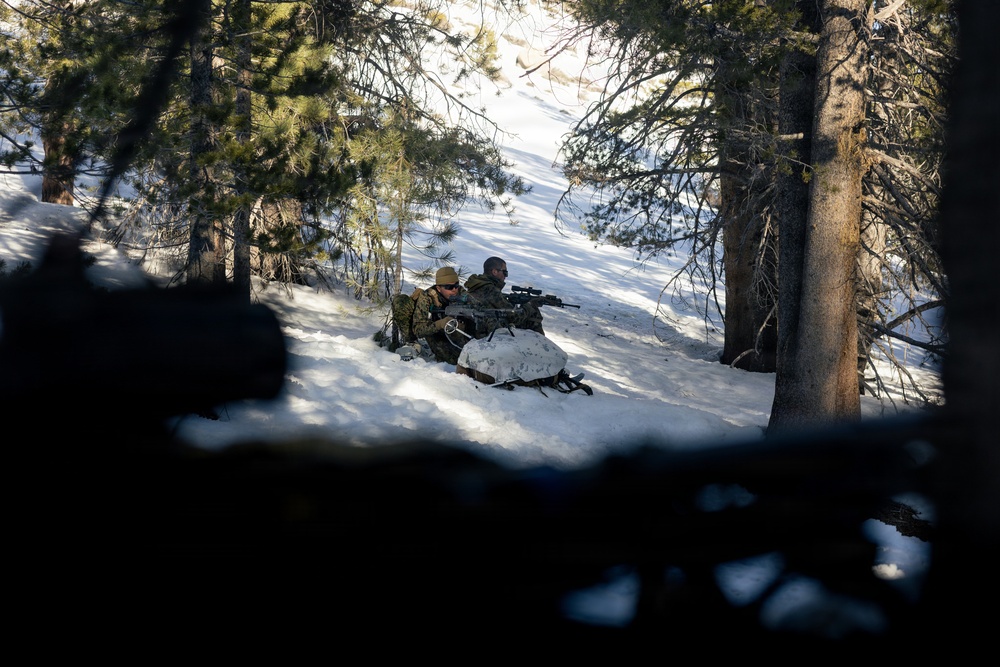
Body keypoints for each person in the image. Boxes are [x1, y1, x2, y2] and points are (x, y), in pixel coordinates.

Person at [463, 256, 544, 335]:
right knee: (533, 314)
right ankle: (540, 343)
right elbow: (515, 318)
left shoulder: (477, 284)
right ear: (494, 272)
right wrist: (530, 305)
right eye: (505, 272)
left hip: (479, 327)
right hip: (491, 331)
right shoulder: (491, 290)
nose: (506, 276)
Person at [411, 266, 472, 364]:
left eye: (456, 285)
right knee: (452, 361)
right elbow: (418, 330)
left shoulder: (462, 293)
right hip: (437, 334)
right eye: (449, 287)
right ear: (438, 288)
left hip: (459, 335)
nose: (454, 289)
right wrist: (440, 324)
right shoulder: (428, 297)